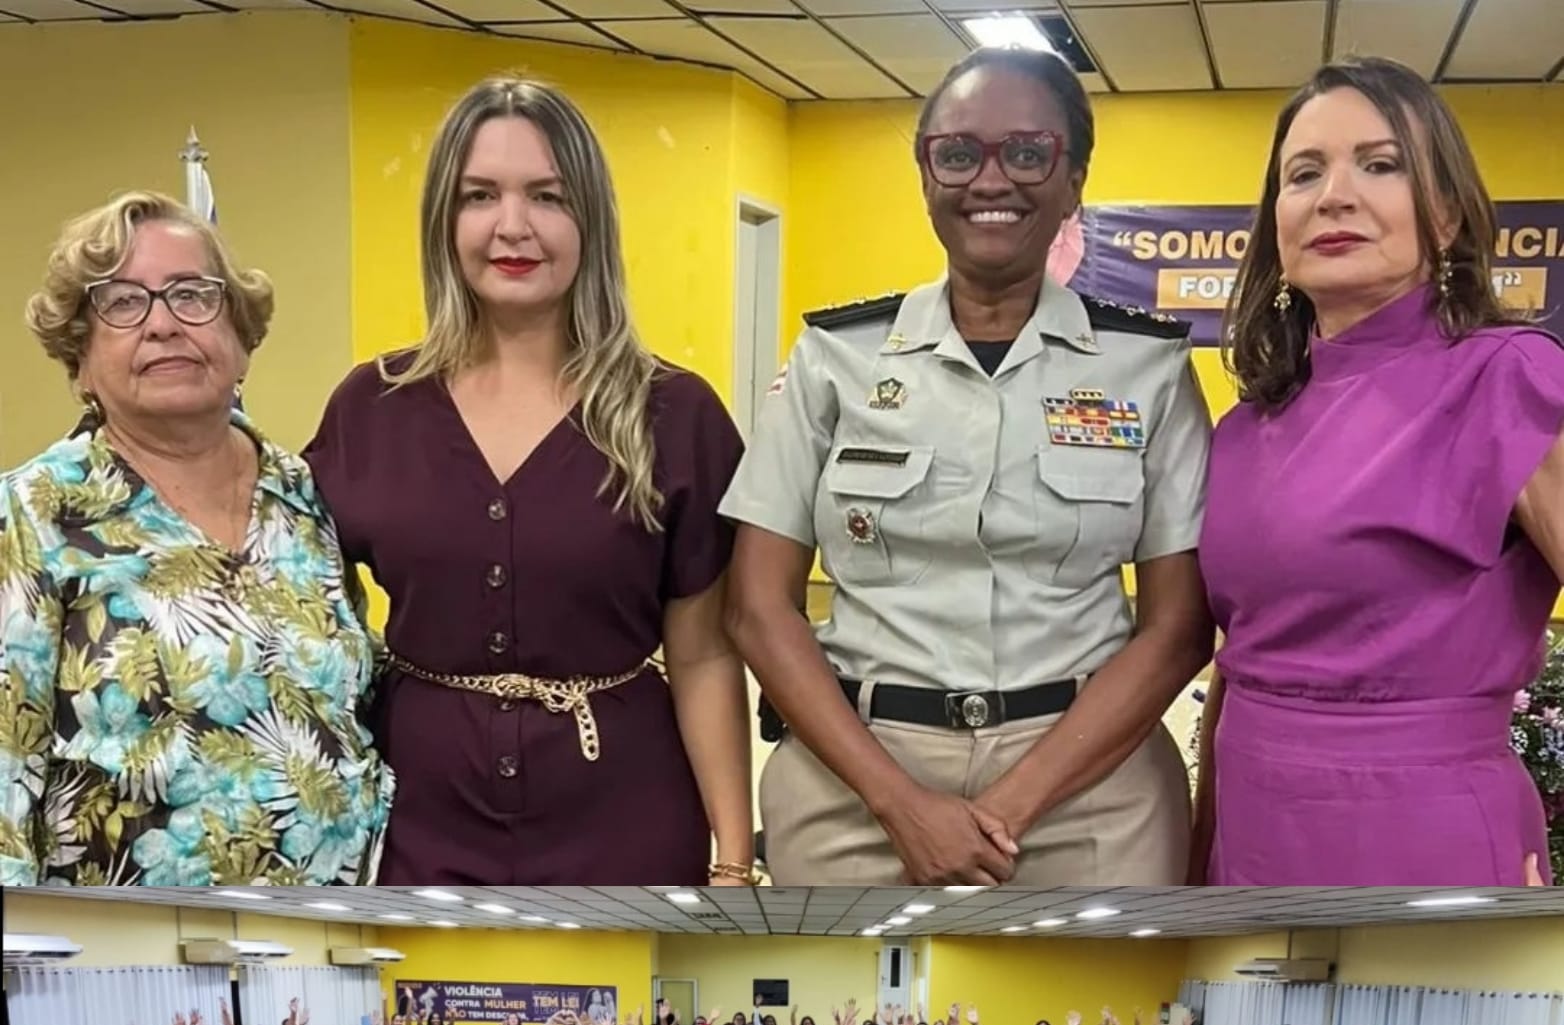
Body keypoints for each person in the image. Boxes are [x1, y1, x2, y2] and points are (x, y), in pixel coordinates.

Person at [722, 45, 1211, 887]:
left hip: (1090, 792)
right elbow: (758, 608)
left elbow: (1177, 628)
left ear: (1074, 178)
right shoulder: (834, 357)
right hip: (856, 783)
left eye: (1028, 153)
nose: (992, 180)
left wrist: (1007, 810)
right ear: (925, 174)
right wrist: (899, 804)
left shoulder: (1149, 369)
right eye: (958, 153)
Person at [304, 75, 752, 885]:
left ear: (591, 219)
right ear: (446, 218)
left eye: (547, 196)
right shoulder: (372, 406)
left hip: (625, 817)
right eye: (480, 196)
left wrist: (734, 861)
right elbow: (312, 630)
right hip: (417, 821)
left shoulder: (674, 414)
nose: (512, 227)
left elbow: (704, 657)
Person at [1196, 57, 1564, 885]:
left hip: (1422, 832)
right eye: (1304, 173)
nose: (1335, 194)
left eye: (1380, 163)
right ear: (1276, 222)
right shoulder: (1246, 426)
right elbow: (1240, 656)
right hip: (1249, 825)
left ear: (1443, 214)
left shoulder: (1508, 378)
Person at [0, 190, 389, 885]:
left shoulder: (307, 495)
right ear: (80, 361)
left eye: (192, 295)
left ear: (241, 342)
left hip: (342, 936)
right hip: (113, 959)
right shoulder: (32, 513)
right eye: (121, 303)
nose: (163, 324)